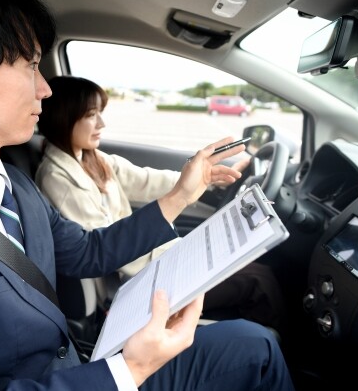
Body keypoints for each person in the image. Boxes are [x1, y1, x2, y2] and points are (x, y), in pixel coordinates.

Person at [0, 0, 295, 391]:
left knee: (254, 345)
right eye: (30, 66)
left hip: (82, 366)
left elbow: (88, 251)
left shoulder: (13, 183)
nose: (45, 88)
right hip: (90, 378)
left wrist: (181, 193)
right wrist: (130, 370)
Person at [35, 75, 287, 334]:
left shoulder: (90, 157)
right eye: (91, 115)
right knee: (258, 280)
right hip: (137, 280)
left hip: (152, 261)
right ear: (63, 118)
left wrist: (207, 179)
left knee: (255, 269)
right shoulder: (58, 179)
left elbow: (146, 180)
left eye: (100, 113)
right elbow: (102, 252)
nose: (102, 123)